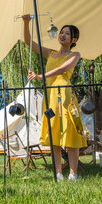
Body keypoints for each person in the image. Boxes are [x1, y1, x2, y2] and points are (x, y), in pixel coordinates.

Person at [23, 15, 87, 181]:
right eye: (61, 32)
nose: (62, 35)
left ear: (74, 39)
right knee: (54, 132)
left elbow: (62, 70)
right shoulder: (50, 54)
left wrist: (40, 76)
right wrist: (26, 23)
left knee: (70, 130)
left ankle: (73, 173)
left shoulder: (75, 54)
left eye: (67, 33)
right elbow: (29, 43)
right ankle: (58, 173)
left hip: (64, 95)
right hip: (50, 96)